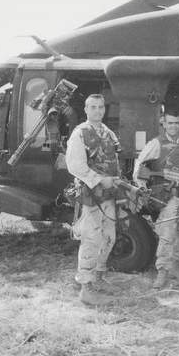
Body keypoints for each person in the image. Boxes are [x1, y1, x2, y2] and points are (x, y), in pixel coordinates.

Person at [133, 108, 179, 288]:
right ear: (164, 123)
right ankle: (162, 271)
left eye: (176, 123)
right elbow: (139, 168)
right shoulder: (156, 144)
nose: (173, 126)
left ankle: (176, 266)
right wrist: (143, 189)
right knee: (167, 233)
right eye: (170, 123)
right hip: (168, 196)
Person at [65, 94, 121, 305]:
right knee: (91, 239)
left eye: (101, 107)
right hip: (91, 195)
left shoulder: (108, 132)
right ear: (86, 109)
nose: (98, 111)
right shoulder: (80, 133)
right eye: (93, 107)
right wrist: (98, 180)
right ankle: (86, 289)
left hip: (108, 194)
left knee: (109, 237)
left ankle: (98, 277)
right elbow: (75, 165)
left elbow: (114, 161)